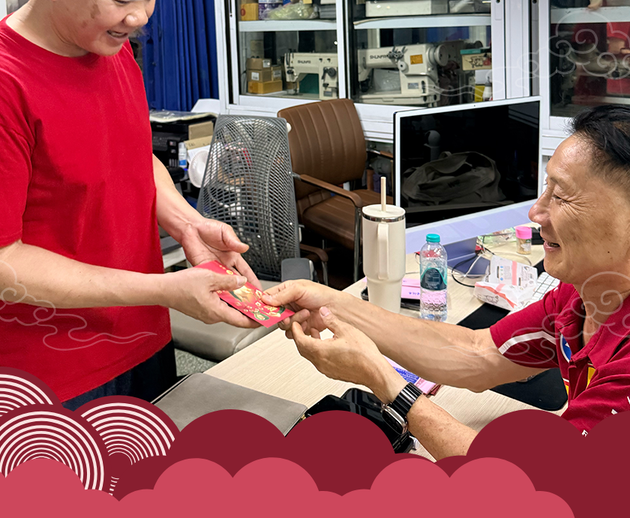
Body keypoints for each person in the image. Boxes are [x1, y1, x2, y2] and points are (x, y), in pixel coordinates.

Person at [0, 0, 259, 409]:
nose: (138, 18)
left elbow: (132, 156)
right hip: (50, 370)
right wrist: (163, 289)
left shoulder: (111, 51)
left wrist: (188, 224)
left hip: (142, 336)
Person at [263, 104, 630, 459]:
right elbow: (477, 353)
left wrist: (384, 381)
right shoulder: (580, 296)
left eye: (561, 196)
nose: (536, 211)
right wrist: (331, 303)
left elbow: (533, 484)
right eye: (546, 189)